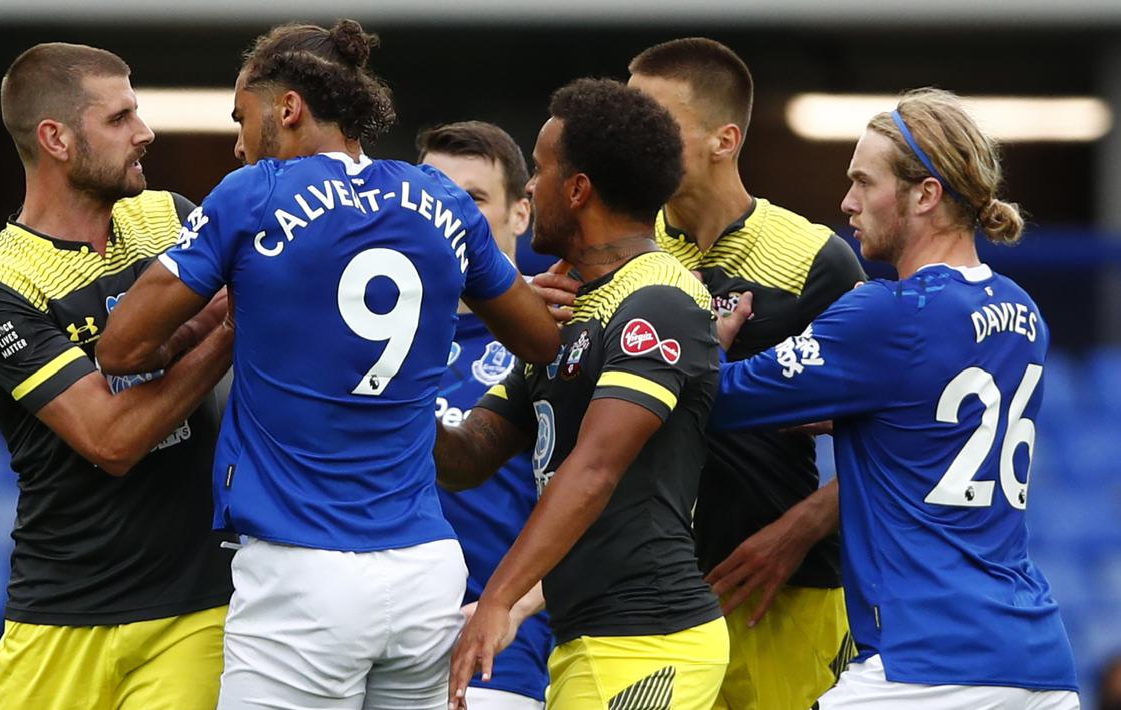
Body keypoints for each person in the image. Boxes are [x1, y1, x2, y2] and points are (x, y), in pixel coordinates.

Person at [95, 20, 559, 710]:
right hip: (426, 572)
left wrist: (237, 313)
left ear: (287, 109)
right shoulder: (442, 202)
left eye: (240, 116)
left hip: (301, 572)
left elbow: (120, 348)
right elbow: (539, 343)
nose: (237, 141)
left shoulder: (251, 195)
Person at [712, 87, 1080, 708]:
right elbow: (923, 416)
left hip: (927, 666)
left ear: (925, 194)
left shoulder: (888, 313)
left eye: (863, 182)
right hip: (1037, 662)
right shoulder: (1024, 312)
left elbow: (720, 400)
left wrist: (710, 341)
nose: (846, 202)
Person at [533, 38, 864, 709]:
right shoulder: (611, 251)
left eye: (653, 123)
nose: (629, 139)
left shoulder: (814, 260)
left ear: (724, 140)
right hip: (638, 607)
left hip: (778, 589)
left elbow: (893, 429)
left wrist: (796, 530)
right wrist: (537, 324)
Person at [0, 43, 234, 710]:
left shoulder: (171, 219)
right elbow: (109, 440)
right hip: (56, 615)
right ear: (55, 138)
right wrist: (227, 332)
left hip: (194, 608)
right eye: (120, 119)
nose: (145, 132)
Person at [439, 78, 728, 710]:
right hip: (593, 641)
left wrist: (497, 600)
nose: (531, 189)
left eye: (539, 171)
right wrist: (405, 361)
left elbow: (593, 469)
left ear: (577, 190)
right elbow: (464, 459)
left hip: (650, 640)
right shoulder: (573, 311)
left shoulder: (660, 299)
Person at [417, 121, 552, 710]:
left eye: (470, 199)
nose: (445, 218)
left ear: (521, 213)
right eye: (432, 198)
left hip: (501, 649)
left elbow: (605, 495)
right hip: (377, 638)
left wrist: (517, 604)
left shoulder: (556, 336)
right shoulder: (370, 325)